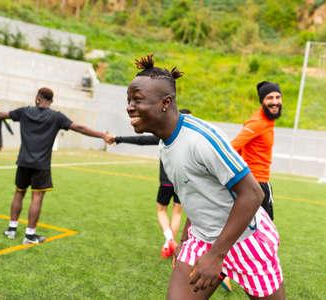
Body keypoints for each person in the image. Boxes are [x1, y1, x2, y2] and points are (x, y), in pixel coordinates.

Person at [126, 54, 285, 300]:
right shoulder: (165, 143)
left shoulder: (202, 139)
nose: (129, 107)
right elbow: (195, 196)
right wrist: (184, 240)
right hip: (201, 239)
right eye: (129, 101)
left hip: (247, 239)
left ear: (165, 102)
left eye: (137, 100)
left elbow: (254, 194)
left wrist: (217, 255)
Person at [0, 87, 108, 244]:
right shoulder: (57, 117)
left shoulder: (25, 112)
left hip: (23, 162)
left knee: (19, 193)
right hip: (41, 165)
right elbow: (80, 128)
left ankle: (11, 230)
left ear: (37, 98)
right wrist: (102, 135)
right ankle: (29, 235)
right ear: (51, 101)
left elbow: (0, 114)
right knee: (37, 197)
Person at [105, 108, 191, 259]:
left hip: (165, 183)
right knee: (177, 213)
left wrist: (117, 138)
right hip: (182, 183)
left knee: (161, 211)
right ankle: (168, 244)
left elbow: (141, 140)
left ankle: (169, 240)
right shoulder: (190, 139)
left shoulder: (165, 135)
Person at [231, 81, 282, 221]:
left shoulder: (267, 119)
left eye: (278, 97)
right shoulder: (258, 122)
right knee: (264, 234)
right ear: (262, 101)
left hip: (258, 182)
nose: (275, 102)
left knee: (255, 232)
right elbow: (233, 147)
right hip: (256, 184)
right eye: (270, 98)